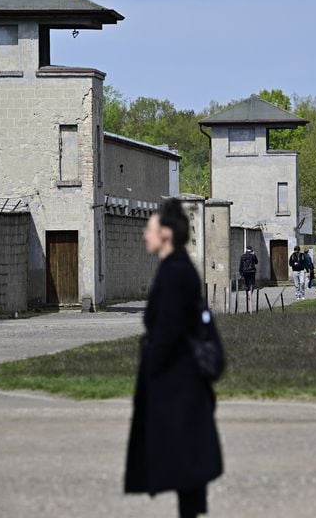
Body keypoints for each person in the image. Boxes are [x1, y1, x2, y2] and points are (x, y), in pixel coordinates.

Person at [126, 198, 223, 518]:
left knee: (184, 459)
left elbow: (168, 329)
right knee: (187, 461)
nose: (145, 235)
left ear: (166, 233)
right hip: (183, 380)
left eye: (150, 228)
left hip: (176, 382)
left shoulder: (174, 273)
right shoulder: (180, 267)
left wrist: (153, 367)